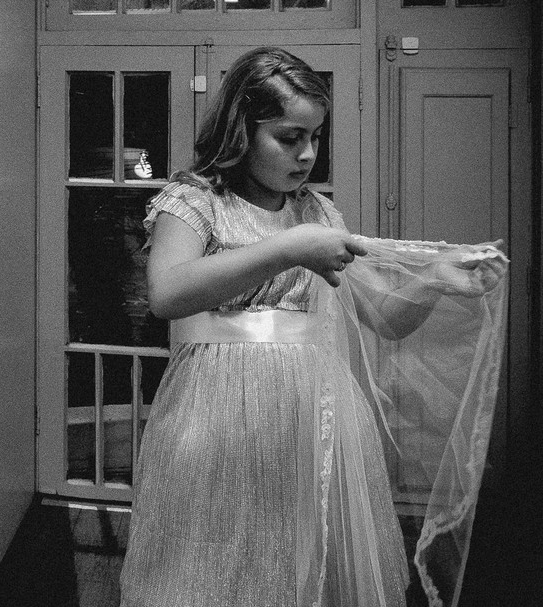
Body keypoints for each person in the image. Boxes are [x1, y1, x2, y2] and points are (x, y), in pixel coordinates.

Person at [118, 47, 507, 607]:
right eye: (289, 137)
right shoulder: (195, 202)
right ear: (241, 129)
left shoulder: (319, 216)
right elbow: (168, 293)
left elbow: (384, 319)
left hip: (311, 422)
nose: (307, 155)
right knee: (209, 565)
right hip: (213, 419)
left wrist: (436, 280)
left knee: (298, 566)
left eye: (315, 138)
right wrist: (290, 248)